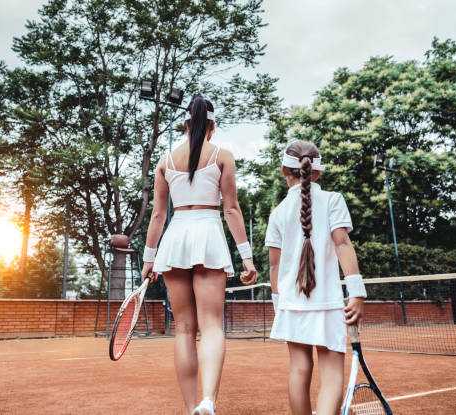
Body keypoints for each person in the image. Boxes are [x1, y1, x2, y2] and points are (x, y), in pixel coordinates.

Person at [141, 95, 257, 415]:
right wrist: (246, 258)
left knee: (183, 329)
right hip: (208, 235)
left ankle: (192, 406)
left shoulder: (166, 161)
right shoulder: (223, 156)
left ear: (185, 124)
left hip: (175, 238)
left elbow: (158, 216)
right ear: (211, 126)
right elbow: (231, 209)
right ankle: (208, 401)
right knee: (212, 326)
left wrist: (149, 260)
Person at [265, 140, 367, 415]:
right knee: (332, 372)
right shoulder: (333, 200)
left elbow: (274, 267)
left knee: (298, 370)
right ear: (317, 173)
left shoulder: (276, 214)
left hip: (290, 304)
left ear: (283, 171)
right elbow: (343, 244)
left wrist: (279, 305)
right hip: (328, 302)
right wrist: (356, 292)